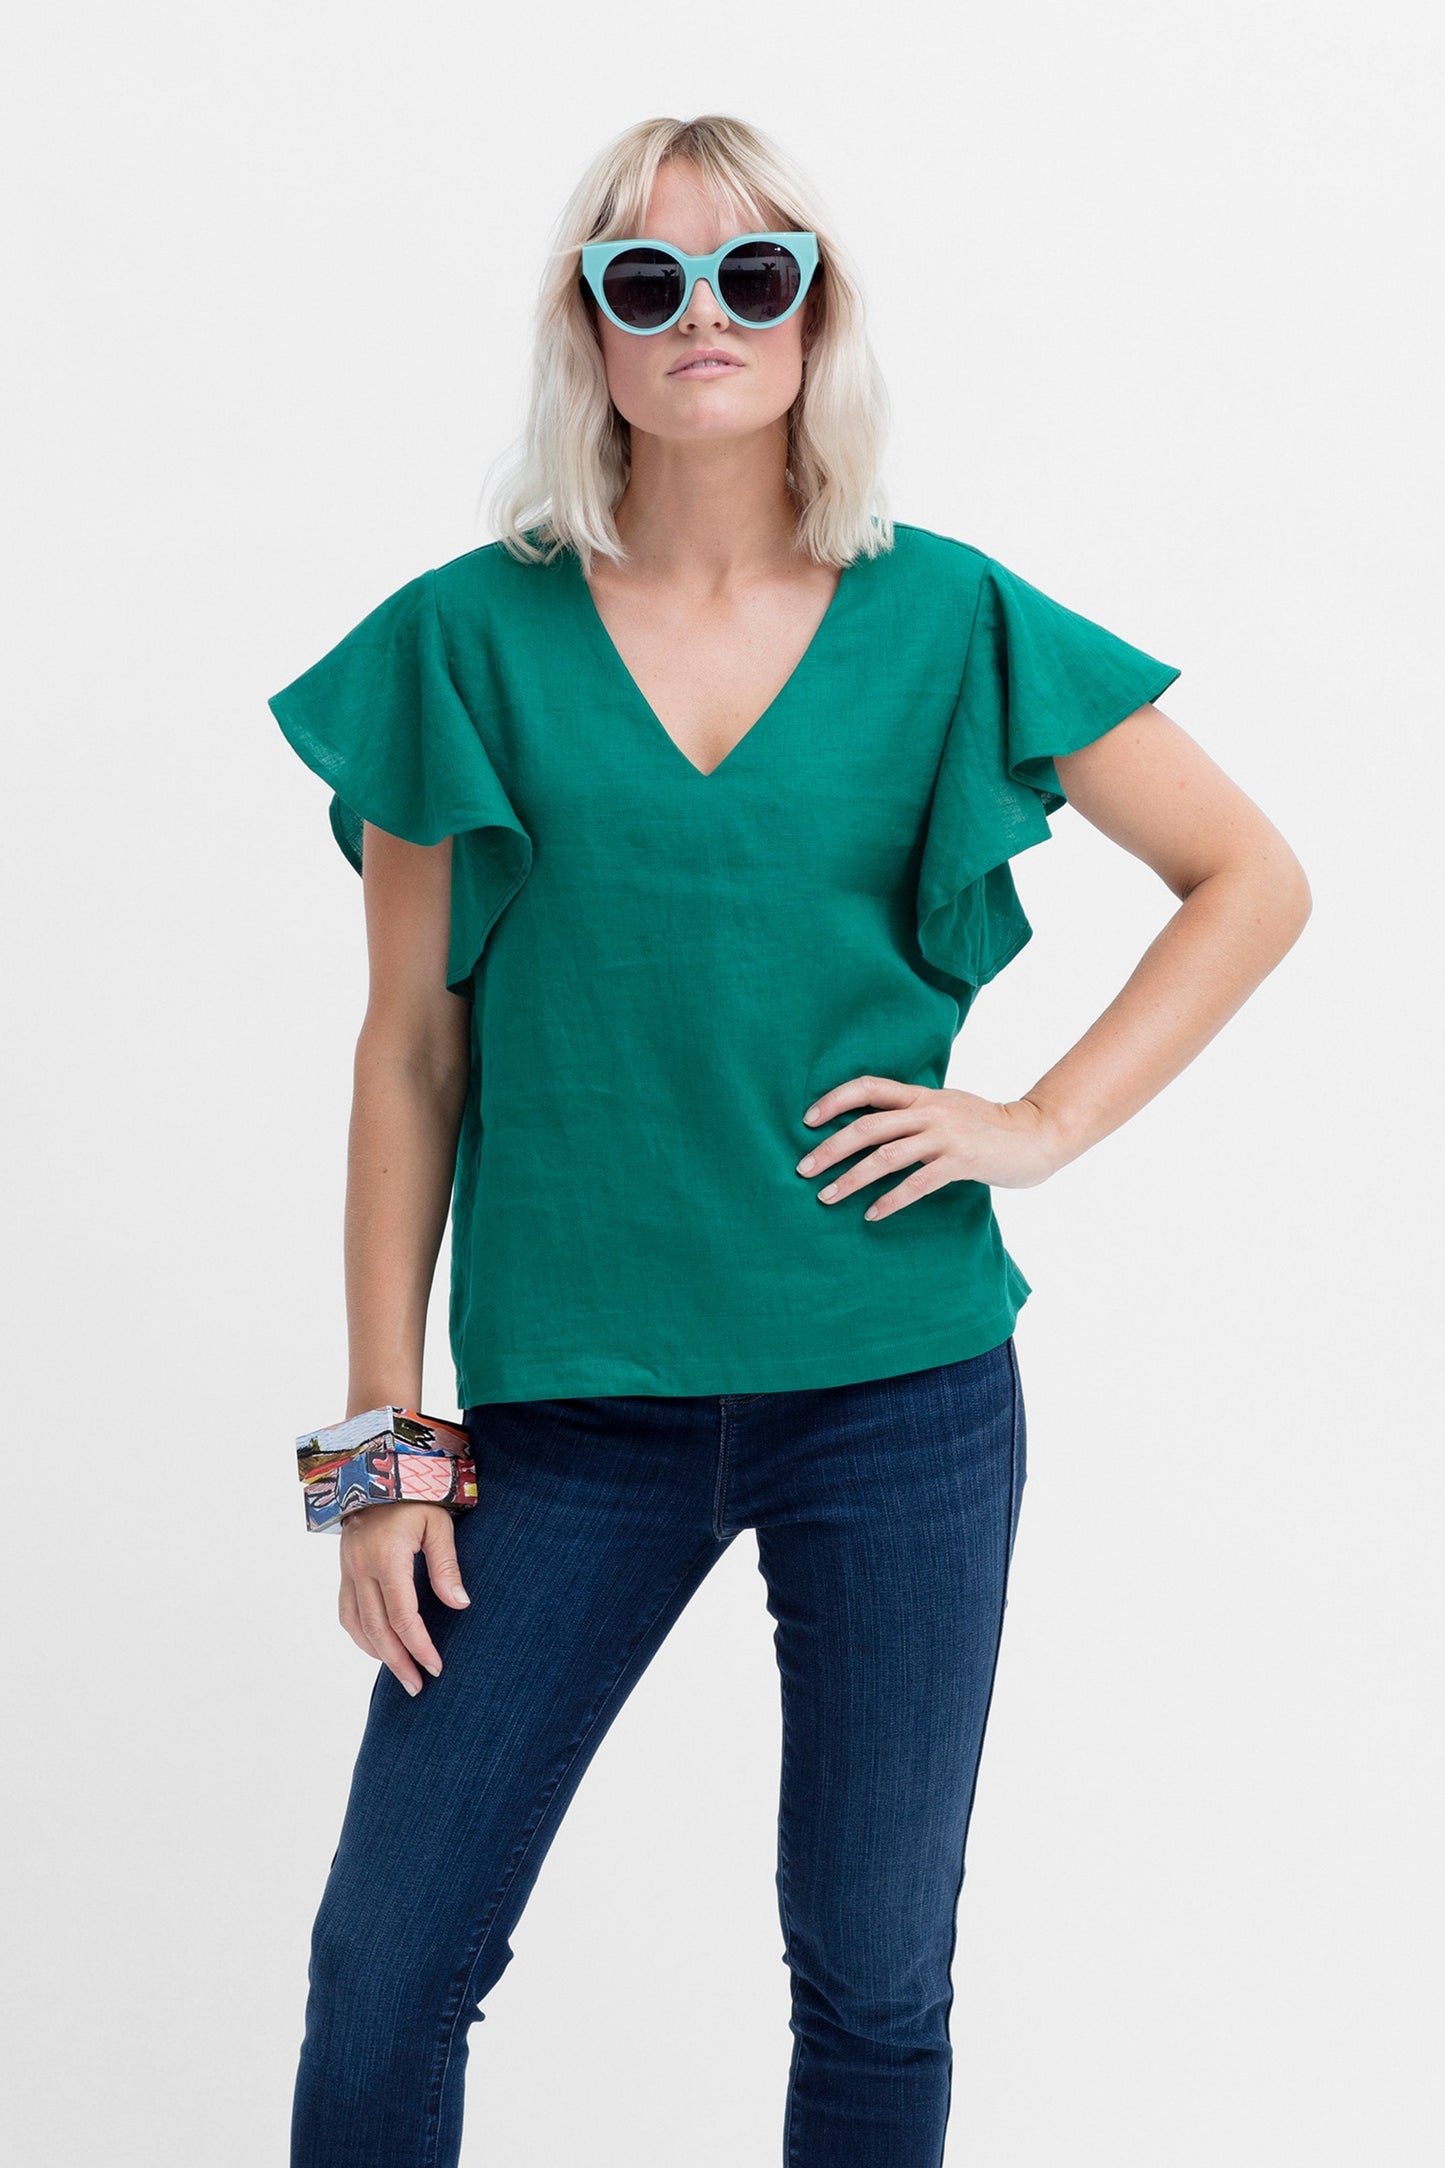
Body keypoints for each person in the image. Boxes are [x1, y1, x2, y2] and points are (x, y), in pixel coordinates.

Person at [268, 113, 1310, 2168]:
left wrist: (1040, 1122)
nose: (704, 316)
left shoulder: (951, 617)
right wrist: (378, 1462)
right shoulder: (461, 640)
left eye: (756, 273)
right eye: (643, 278)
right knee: (386, 1969)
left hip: (901, 1395)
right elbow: (407, 1058)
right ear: (587, 326)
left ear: (818, 314)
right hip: (564, 1419)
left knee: (876, 1975)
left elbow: (1250, 877)